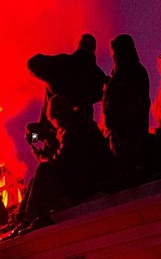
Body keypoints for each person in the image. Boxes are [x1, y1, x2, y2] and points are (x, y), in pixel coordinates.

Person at [18, 94, 115, 230]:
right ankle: (23, 216)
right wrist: (40, 136)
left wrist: (41, 157)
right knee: (37, 178)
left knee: (43, 170)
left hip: (87, 181)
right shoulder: (78, 123)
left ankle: (37, 216)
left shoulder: (71, 130)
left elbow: (61, 160)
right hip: (89, 175)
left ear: (57, 118)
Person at [27, 33, 108, 135]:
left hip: (55, 127)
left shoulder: (61, 64)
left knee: (39, 136)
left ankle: (39, 140)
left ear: (78, 46)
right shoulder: (97, 75)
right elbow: (98, 95)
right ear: (94, 50)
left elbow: (32, 64)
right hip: (82, 129)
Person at [100, 34, 151, 183]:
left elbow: (120, 100)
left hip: (125, 130)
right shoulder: (133, 70)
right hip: (128, 128)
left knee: (125, 160)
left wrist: (112, 121)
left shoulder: (126, 71)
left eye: (112, 51)